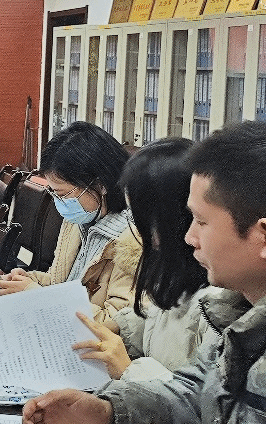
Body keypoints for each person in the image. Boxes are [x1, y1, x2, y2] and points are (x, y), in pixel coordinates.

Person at [22, 121, 266, 424]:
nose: (189, 237)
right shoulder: (236, 313)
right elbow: (197, 393)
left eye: (201, 222)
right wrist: (109, 412)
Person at [72, 137, 220, 381]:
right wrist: (120, 327)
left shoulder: (217, 302)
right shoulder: (176, 270)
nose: (143, 233)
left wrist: (128, 370)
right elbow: (161, 318)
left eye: (146, 220)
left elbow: (197, 396)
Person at [0, 121, 141, 324]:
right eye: (53, 193)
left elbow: (116, 323)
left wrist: (35, 295)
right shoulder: (79, 221)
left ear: (101, 185)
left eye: (63, 194)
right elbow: (60, 282)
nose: (59, 203)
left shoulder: (133, 240)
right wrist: (28, 280)